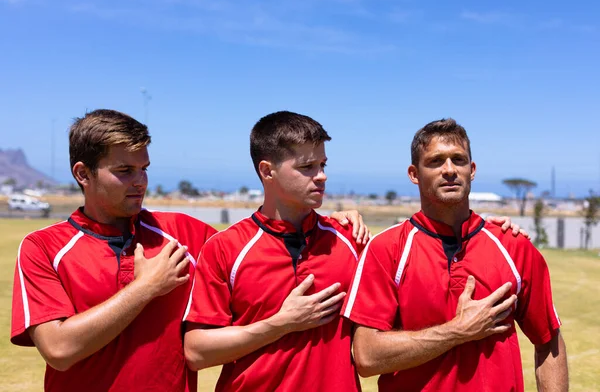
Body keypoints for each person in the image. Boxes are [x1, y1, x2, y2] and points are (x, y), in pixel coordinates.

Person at [10, 109, 368, 392]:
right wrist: (145, 288)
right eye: (124, 171)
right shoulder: (43, 247)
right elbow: (58, 350)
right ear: (82, 174)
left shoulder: (183, 232)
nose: (140, 182)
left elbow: (257, 241)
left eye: (144, 169)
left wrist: (333, 221)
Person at [182, 111, 527, 391]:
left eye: (323, 165)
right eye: (307, 167)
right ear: (266, 171)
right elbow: (196, 351)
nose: (321, 177)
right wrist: (279, 324)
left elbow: (417, 248)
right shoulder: (226, 248)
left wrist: (488, 227)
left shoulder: (353, 240)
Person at [343, 118, 568, 392]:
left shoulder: (513, 246)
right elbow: (366, 357)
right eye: (436, 161)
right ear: (414, 174)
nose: (449, 170)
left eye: (458, 160)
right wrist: (456, 331)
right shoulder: (385, 249)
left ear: (471, 170)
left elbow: (548, 341)